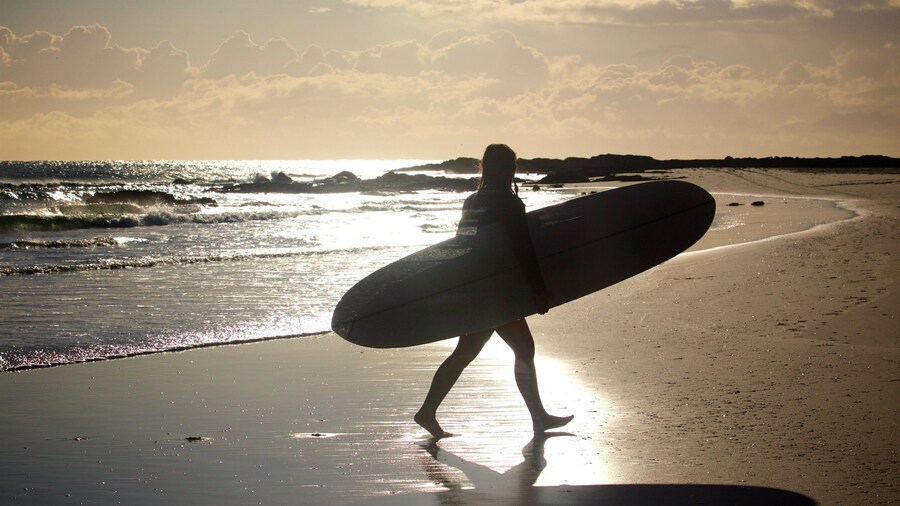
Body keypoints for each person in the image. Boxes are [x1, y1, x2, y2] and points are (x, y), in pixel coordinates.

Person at [414, 143, 574, 438]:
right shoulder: (510, 203)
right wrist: (538, 290)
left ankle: (427, 411)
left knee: (467, 352)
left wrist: (458, 287)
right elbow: (523, 250)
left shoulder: (473, 201)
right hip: (498, 294)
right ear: (506, 168)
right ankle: (539, 418)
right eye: (512, 164)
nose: (514, 169)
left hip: (478, 288)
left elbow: (462, 245)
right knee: (522, 349)